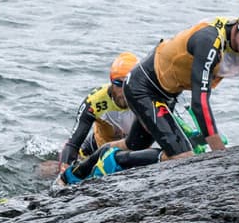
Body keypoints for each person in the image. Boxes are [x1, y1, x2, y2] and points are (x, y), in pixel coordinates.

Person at [123, 1, 239, 161]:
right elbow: (200, 101)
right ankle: (111, 163)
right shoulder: (209, 41)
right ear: (238, 27)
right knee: (183, 156)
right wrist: (220, 154)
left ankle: (104, 156)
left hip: (168, 93)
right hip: (143, 86)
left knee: (134, 145)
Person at [56, 52, 163, 185]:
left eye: (130, 83)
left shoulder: (145, 98)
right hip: (94, 150)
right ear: (111, 82)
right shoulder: (95, 101)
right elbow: (73, 144)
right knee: (52, 170)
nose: (125, 90)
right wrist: (64, 168)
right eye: (119, 83)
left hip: (130, 153)